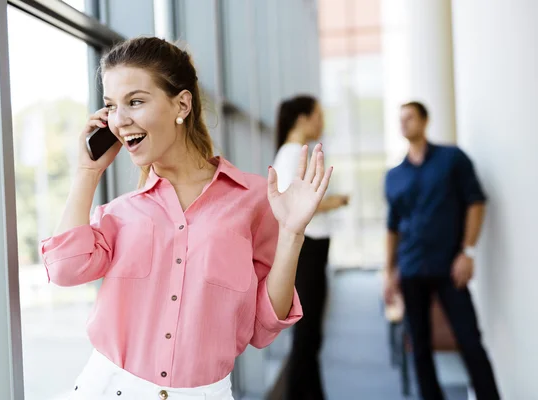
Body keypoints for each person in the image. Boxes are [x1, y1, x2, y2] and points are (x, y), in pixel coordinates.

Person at [39, 37, 334, 400]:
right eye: (111, 106)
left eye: (135, 101)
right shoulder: (120, 212)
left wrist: (291, 234)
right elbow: (65, 269)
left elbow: (264, 325)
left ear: (181, 103)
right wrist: (87, 171)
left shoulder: (253, 200)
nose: (120, 119)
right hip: (105, 388)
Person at [383, 101, 500, 400]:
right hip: (411, 268)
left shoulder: (452, 159)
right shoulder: (394, 175)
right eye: (401, 119)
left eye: (410, 118)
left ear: (425, 120)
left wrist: (468, 252)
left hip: (450, 267)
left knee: (470, 341)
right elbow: (392, 228)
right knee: (420, 347)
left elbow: (476, 202)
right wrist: (388, 271)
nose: (404, 124)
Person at [271, 95, 348, 400]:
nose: (322, 122)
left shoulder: (289, 153)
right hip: (308, 252)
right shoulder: (293, 154)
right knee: (307, 337)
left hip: (311, 250)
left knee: (310, 336)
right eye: (318, 115)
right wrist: (334, 201)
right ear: (303, 118)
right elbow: (299, 205)